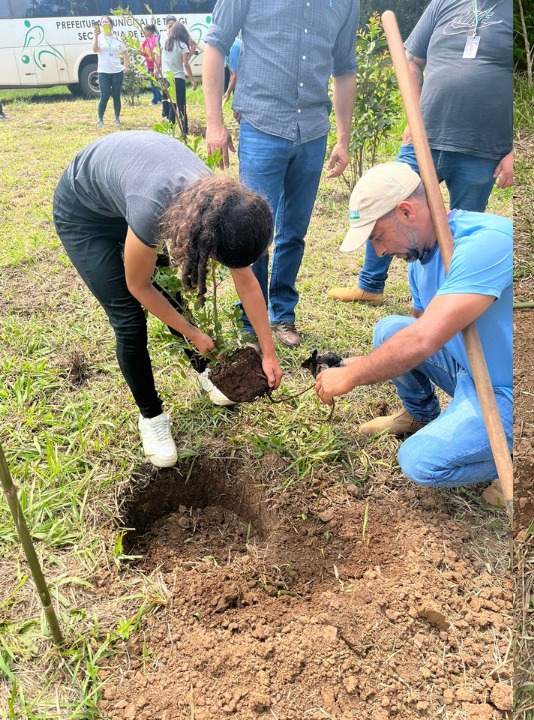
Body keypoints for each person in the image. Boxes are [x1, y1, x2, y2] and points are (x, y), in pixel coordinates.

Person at [54, 132, 283, 468]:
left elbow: (246, 282)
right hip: (84, 213)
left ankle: (206, 371)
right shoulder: (155, 211)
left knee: (174, 299)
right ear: (205, 241)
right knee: (129, 321)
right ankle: (152, 417)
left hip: (130, 194)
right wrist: (192, 333)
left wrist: (268, 352)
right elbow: (140, 286)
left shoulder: (223, 206)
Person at [314, 163, 514, 489]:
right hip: (468, 371)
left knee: (419, 461)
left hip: (506, 392)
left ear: (407, 212)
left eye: (378, 236)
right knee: (390, 330)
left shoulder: (487, 244)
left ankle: (509, 454)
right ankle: (420, 414)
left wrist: (353, 375)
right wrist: (356, 364)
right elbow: (417, 334)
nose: (379, 251)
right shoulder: (420, 258)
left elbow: (422, 340)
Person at [328, 0, 515, 307]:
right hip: (424, 136)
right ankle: (370, 285)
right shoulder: (445, 3)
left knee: (455, 231)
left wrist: (514, 148)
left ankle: (442, 302)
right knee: (385, 204)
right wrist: (413, 112)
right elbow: (411, 61)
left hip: (481, 147)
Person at [202, 0, 360, 349]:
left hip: (313, 131)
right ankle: (249, 321)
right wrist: (215, 122)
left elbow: (344, 67)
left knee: (294, 232)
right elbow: (216, 44)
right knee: (252, 229)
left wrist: (344, 138)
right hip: (261, 124)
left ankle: (282, 314)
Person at [161, 18, 196, 136]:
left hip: (167, 78)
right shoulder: (182, 45)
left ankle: (170, 131)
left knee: (172, 105)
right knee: (181, 105)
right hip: (179, 78)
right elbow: (185, 63)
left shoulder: (166, 44)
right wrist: (192, 80)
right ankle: (184, 131)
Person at [92, 16, 128, 127]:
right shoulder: (99, 37)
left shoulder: (117, 38)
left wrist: (125, 66)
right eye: (102, 22)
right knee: (105, 95)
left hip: (117, 71)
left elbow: (125, 52)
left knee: (116, 95)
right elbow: (95, 50)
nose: (104, 23)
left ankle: (117, 118)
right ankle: (100, 119)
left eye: (106, 21)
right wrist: (96, 37)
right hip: (103, 71)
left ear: (111, 24)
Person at [141, 24, 162, 105]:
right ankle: (159, 98)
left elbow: (157, 51)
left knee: (154, 84)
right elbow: (143, 51)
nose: (144, 33)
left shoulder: (155, 39)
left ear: (149, 31)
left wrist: (152, 57)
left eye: (145, 31)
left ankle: (155, 100)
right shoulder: (146, 41)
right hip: (149, 65)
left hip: (155, 66)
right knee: (154, 83)